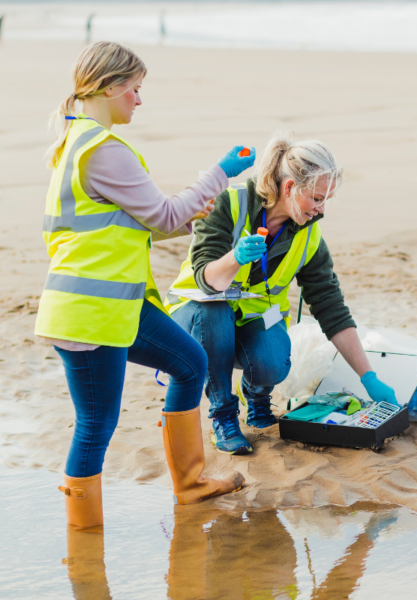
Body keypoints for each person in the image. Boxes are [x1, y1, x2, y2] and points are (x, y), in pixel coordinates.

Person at [35, 41, 254, 529]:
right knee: (96, 425)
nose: (139, 99)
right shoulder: (102, 149)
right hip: (90, 312)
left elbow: (152, 224)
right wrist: (219, 174)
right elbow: (163, 214)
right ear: (111, 87)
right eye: (134, 89)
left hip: (118, 304)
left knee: (190, 363)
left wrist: (194, 218)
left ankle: (191, 484)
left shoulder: (76, 143)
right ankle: (84, 537)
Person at [166, 133, 397, 455]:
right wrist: (235, 257)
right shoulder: (227, 204)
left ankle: (257, 398)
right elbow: (209, 282)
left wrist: (368, 376)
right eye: (317, 198)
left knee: (272, 364)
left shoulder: (309, 236)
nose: (321, 209)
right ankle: (223, 414)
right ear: (289, 188)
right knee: (212, 312)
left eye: (326, 199)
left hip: (256, 317)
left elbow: (331, 307)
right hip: (197, 315)